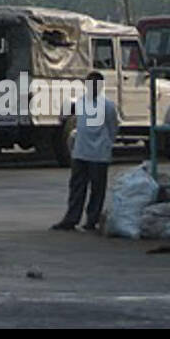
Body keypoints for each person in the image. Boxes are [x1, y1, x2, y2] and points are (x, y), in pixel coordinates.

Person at [52, 71, 118, 232]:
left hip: (99, 154)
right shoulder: (80, 103)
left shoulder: (108, 106)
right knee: (77, 187)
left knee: (96, 189)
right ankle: (71, 219)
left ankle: (91, 220)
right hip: (81, 151)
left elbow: (113, 128)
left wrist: (107, 144)